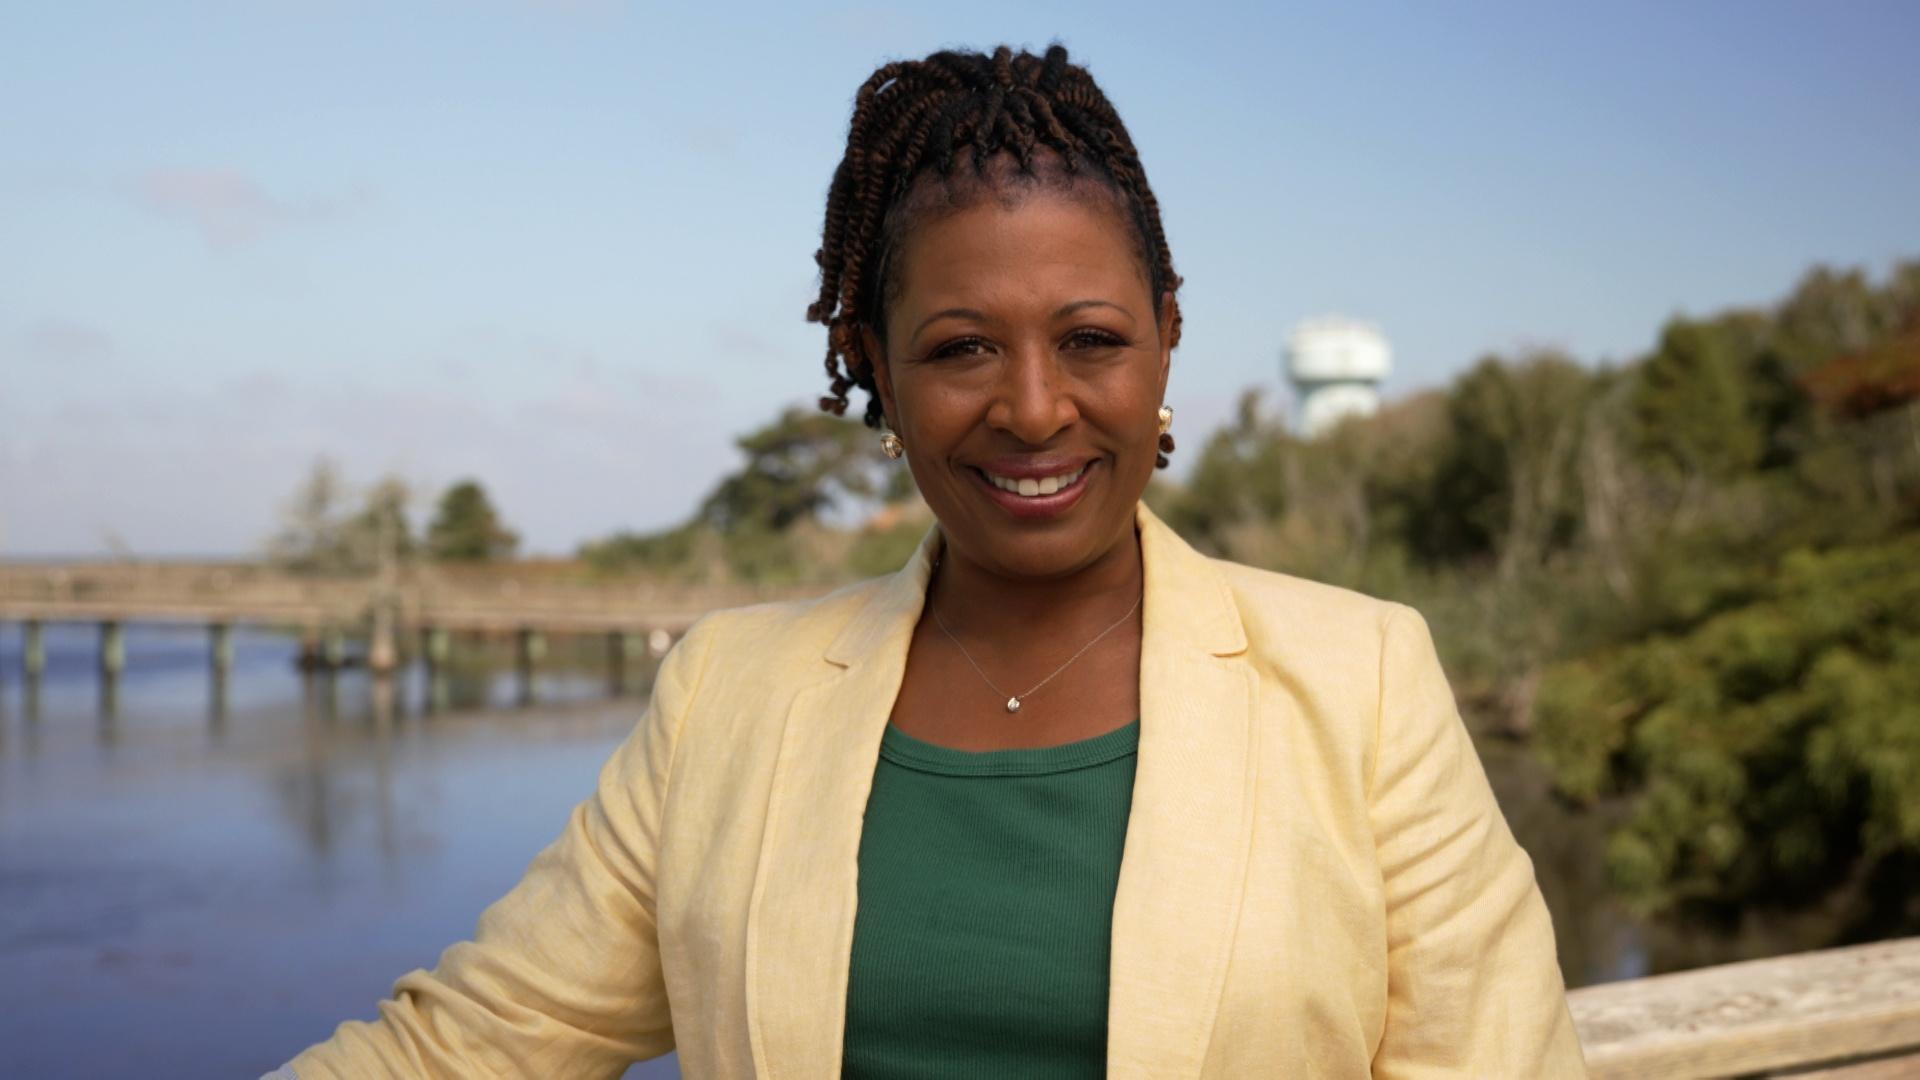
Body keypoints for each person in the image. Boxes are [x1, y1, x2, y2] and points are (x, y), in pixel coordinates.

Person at [277, 44, 1588, 1079]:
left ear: (1167, 340)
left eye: (1091, 339)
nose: (1032, 407)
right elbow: (471, 1044)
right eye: (962, 347)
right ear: (872, 364)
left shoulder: (1361, 685)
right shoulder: (727, 698)